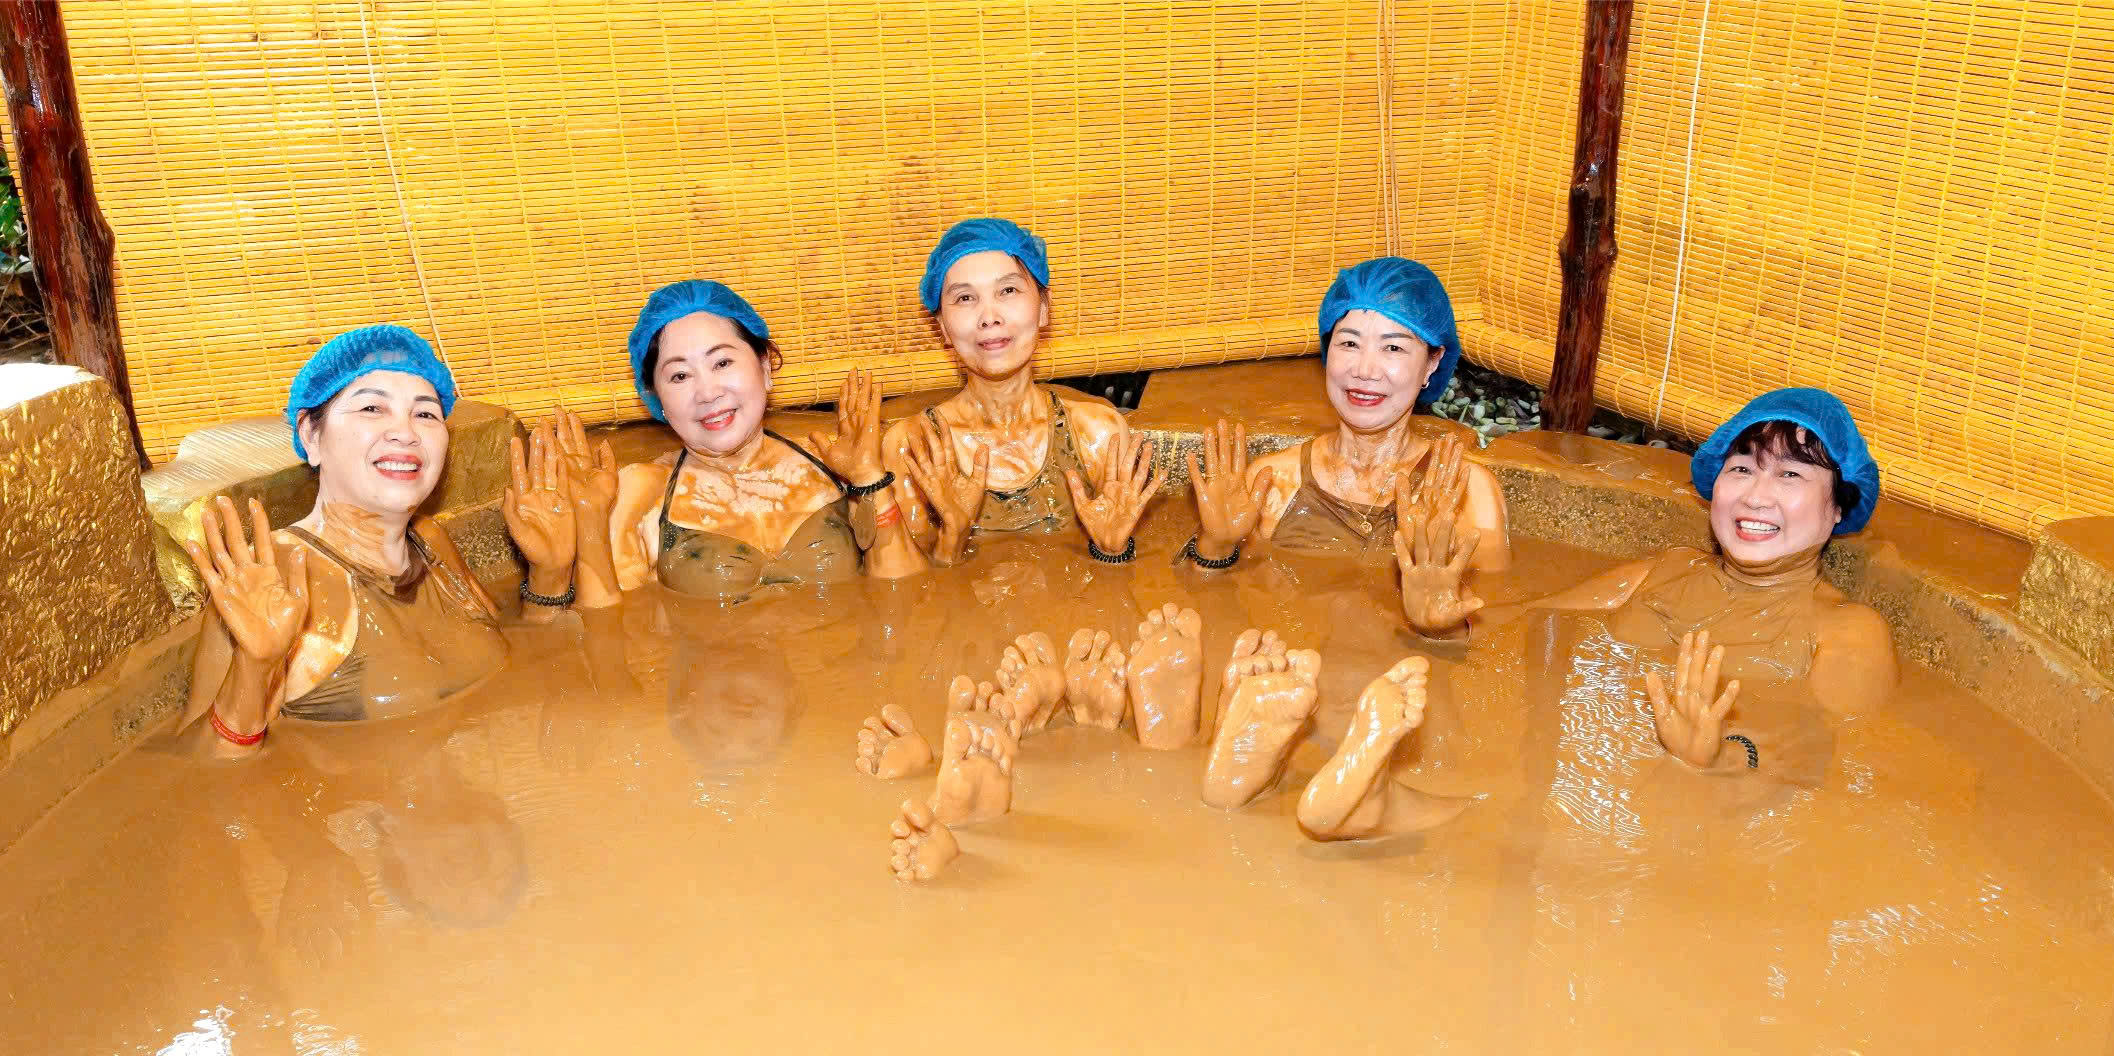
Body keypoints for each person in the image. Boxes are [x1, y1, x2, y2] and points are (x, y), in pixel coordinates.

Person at [1537, 386, 1898, 778]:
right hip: (1594, 770)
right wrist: (1478, 592)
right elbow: (1529, 619)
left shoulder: (1849, 631)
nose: (1756, 498)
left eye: (1790, 474)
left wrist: (1719, 759)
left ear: (1839, 507)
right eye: (1742, 469)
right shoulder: (1663, 571)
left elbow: (1831, 762)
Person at [181, 325, 509, 752]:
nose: (406, 432)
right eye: (372, 407)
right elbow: (196, 767)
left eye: (426, 414)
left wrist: (551, 578)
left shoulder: (429, 540)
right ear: (310, 435)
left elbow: (518, 659)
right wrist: (253, 669)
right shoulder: (273, 575)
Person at [1184, 257, 1509, 636]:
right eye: (1350, 343)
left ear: (1432, 364)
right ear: (1327, 351)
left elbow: (1499, 634)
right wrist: (1215, 548)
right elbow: (1217, 614)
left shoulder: (1468, 494)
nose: (1365, 370)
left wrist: (1440, 631)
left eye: (1393, 348)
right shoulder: (1272, 483)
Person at [542, 280, 911, 597]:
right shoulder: (638, 493)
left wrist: (869, 479)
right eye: (680, 376)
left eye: (722, 363)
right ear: (657, 400)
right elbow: (608, 635)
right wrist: (589, 521)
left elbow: (905, 595)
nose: (708, 393)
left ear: (764, 367)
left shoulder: (837, 463)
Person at [879, 217, 1160, 571]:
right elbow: (913, 594)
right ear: (943, 328)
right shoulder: (914, 448)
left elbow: (1123, 585)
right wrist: (953, 537)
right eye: (965, 298)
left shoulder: (1098, 434)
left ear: (1043, 307)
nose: (989, 317)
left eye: (1008, 291)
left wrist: (1111, 550)